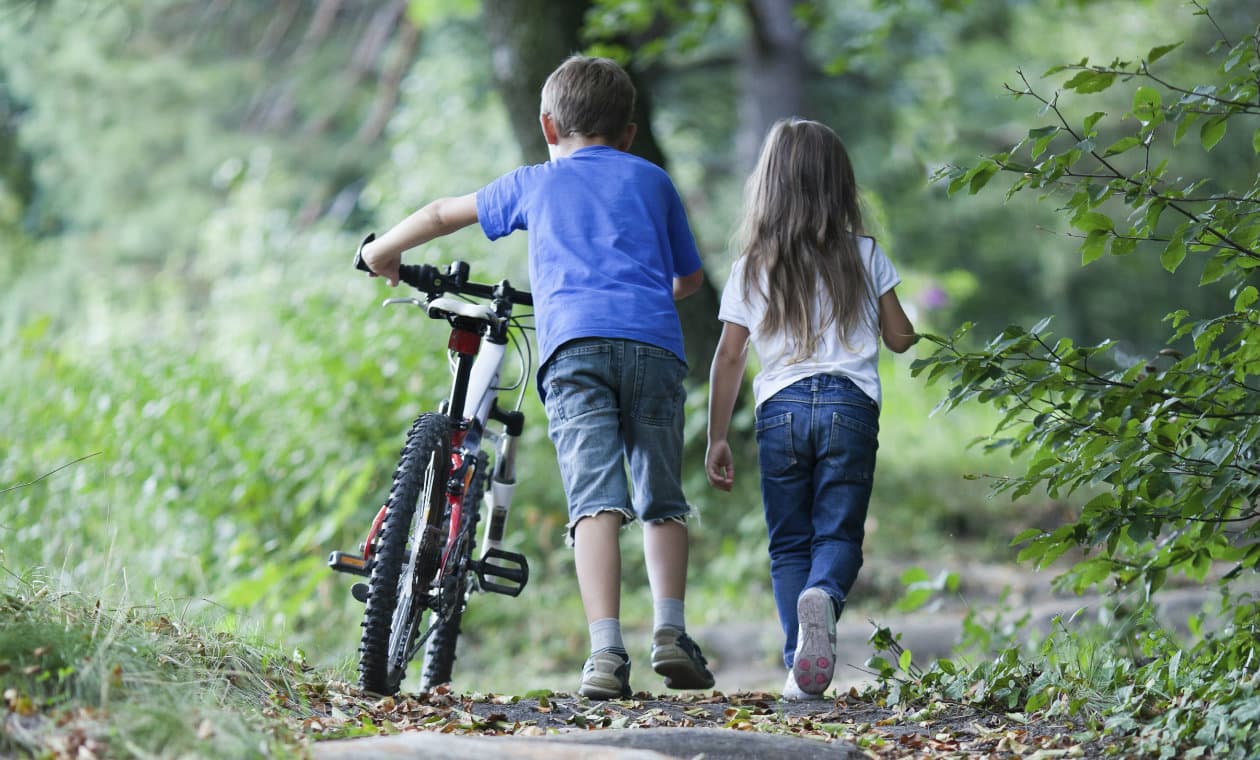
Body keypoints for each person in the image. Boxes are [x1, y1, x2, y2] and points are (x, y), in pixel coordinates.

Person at [359, 55, 714, 700]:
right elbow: (688, 279)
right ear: (630, 132)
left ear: (548, 126)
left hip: (574, 348)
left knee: (595, 502)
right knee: (661, 496)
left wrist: (382, 251)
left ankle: (607, 652)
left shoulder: (535, 182)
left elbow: (442, 213)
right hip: (655, 347)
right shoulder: (654, 180)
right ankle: (671, 632)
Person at [704, 118, 915, 701]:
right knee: (838, 535)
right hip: (851, 407)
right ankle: (823, 596)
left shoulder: (752, 266)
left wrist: (716, 437)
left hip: (780, 412)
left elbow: (728, 356)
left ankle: (800, 659)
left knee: (788, 543)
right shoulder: (864, 254)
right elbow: (900, 337)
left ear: (767, 187)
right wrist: (898, 319)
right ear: (840, 186)